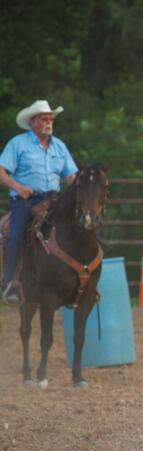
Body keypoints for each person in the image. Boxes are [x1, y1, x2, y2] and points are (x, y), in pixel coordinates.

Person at [0, 100, 78, 303]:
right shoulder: (18, 144)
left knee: (79, 226)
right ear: (33, 122)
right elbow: (1, 170)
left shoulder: (59, 146)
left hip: (54, 199)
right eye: (44, 119)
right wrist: (18, 188)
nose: (49, 122)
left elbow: (71, 176)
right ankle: (11, 282)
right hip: (25, 200)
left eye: (50, 119)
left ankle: (80, 279)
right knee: (15, 234)